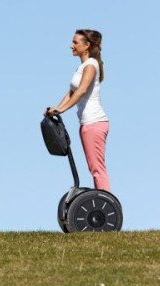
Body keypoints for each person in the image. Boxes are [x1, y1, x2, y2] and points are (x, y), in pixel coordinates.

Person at [45, 29, 111, 191]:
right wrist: (56, 108)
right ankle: (101, 199)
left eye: (75, 42)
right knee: (93, 168)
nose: (71, 46)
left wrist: (61, 110)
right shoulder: (82, 67)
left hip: (95, 122)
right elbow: (71, 93)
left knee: (97, 168)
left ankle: (106, 201)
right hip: (86, 124)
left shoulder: (91, 65)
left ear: (86, 45)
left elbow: (81, 91)